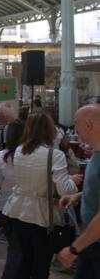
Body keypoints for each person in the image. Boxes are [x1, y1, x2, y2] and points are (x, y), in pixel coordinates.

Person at [1, 113, 81, 279]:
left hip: (17, 210)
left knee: (23, 262)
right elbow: (64, 189)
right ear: (49, 130)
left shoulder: (19, 151)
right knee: (40, 266)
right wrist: (73, 181)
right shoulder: (54, 155)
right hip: (41, 215)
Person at [57, 104, 100, 277]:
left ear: (89, 125)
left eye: (77, 123)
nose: (74, 129)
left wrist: (74, 249)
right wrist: (79, 196)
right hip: (90, 241)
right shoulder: (96, 153)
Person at [0, 118, 25, 238]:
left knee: (13, 244)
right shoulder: (32, 155)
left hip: (5, 204)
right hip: (26, 207)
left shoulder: (1, 156)